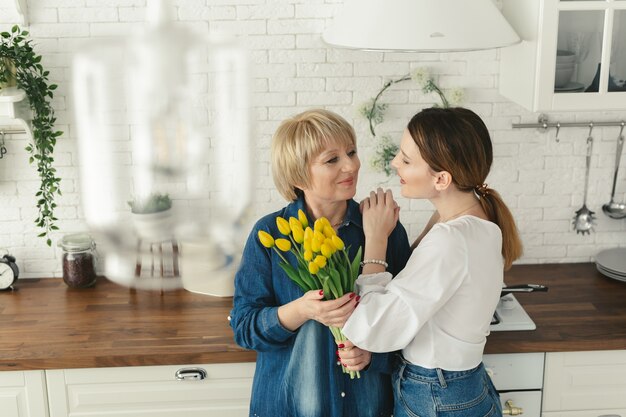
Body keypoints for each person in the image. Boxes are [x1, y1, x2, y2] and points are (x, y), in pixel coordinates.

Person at [338, 107, 523, 417]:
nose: (395, 162)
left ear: (442, 179)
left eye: (407, 160)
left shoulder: (451, 239)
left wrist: (376, 239)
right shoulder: (475, 217)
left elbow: (372, 327)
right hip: (462, 387)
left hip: (437, 395)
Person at [230, 109, 412, 417]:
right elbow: (245, 328)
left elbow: (409, 320)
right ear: (298, 174)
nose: (351, 165)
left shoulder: (382, 229)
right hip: (287, 407)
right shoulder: (270, 234)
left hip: (364, 406)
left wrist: (372, 354)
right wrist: (301, 310)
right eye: (332, 160)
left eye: (352, 152)